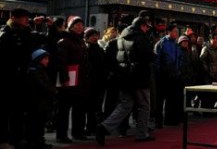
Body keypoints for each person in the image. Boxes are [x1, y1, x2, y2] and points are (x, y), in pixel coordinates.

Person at [96, 17, 155, 145]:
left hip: (125, 76)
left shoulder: (122, 37)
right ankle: (142, 133)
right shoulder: (141, 38)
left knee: (125, 105)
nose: (147, 29)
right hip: (140, 77)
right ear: (141, 26)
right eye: (146, 26)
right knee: (144, 106)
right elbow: (148, 56)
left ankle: (104, 127)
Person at [0, 8, 43, 149]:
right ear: (14, 18)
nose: (26, 19)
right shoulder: (6, 34)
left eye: (27, 17)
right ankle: (4, 139)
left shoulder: (27, 33)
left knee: (19, 110)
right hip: (9, 78)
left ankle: (18, 138)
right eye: (23, 17)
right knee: (7, 111)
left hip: (24, 77)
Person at [56, 16, 89, 143]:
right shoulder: (65, 40)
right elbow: (61, 62)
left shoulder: (81, 41)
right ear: (70, 26)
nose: (80, 27)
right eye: (77, 25)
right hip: (69, 79)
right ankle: (61, 135)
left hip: (80, 79)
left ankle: (78, 132)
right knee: (64, 109)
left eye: (81, 25)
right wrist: (64, 78)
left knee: (79, 108)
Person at [26, 49, 56, 149]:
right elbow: (41, 85)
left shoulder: (40, 70)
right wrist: (52, 90)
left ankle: (38, 141)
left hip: (41, 102)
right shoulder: (34, 71)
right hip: (37, 102)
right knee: (36, 123)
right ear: (39, 59)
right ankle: (35, 142)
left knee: (40, 122)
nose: (47, 61)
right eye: (45, 59)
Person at [154, 23, 183, 127]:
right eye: (175, 31)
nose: (176, 33)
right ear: (169, 32)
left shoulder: (175, 44)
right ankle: (158, 121)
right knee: (160, 99)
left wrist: (178, 70)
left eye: (177, 32)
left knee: (172, 99)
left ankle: (170, 120)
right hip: (163, 75)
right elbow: (156, 60)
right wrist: (161, 71)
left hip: (174, 75)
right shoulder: (161, 43)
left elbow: (179, 58)